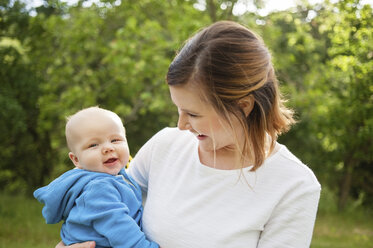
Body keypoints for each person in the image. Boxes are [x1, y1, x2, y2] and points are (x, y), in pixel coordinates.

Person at [57, 20, 321, 248]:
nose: (181, 125)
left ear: (243, 106)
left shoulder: (294, 185)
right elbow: (99, 211)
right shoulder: (165, 145)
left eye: (193, 114)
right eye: (179, 110)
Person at [34, 106, 159, 248]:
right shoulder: (98, 187)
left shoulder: (117, 176)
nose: (108, 148)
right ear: (76, 160)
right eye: (93, 145)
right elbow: (118, 227)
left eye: (115, 140)